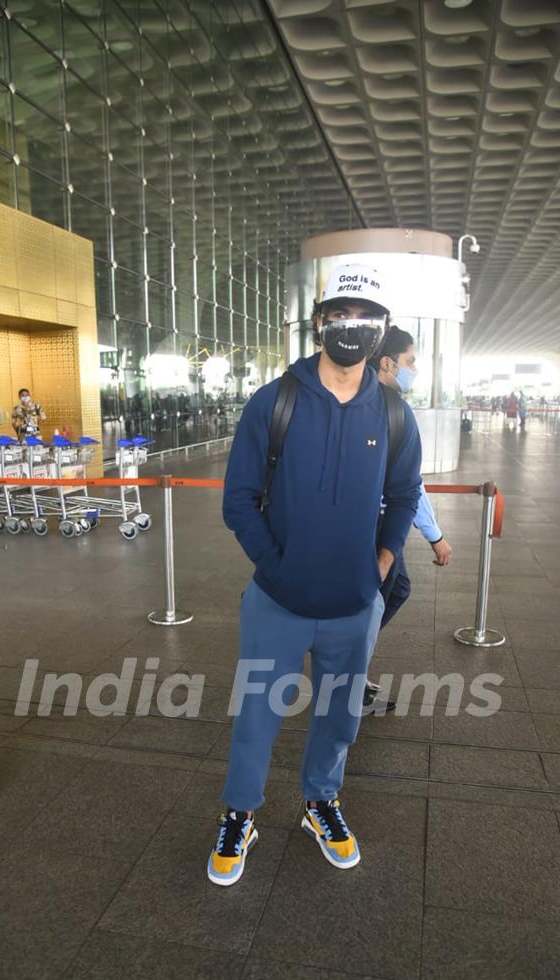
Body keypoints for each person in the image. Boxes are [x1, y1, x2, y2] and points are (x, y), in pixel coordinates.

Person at [209, 264, 422, 886]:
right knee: (257, 715)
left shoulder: (393, 413)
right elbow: (239, 499)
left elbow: (405, 494)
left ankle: (320, 802)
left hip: (354, 605)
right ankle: (240, 813)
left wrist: (381, 564)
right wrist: (273, 563)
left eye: (365, 319)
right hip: (278, 601)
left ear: (380, 332)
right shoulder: (274, 401)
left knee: (340, 716)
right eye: (339, 316)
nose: (351, 329)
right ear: (320, 321)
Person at [364, 327, 453, 713]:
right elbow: (409, 485)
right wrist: (434, 535)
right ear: (387, 363)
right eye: (410, 361)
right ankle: (345, 674)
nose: (414, 369)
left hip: (375, 521)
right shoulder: (392, 409)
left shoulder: (365, 403)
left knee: (393, 591)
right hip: (380, 525)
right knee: (376, 601)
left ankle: (346, 661)